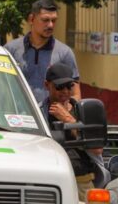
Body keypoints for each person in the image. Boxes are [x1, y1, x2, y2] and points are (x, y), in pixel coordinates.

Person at [39, 63, 106, 200]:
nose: (65, 91)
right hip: (47, 180)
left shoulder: (83, 112)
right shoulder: (37, 113)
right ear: (47, 85)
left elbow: (97, 149)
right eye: (59, 87)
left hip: (81, 179)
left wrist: (67, 119)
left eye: (69, 86)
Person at [6, 0, 81, 102]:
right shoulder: (11, 50)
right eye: (45, 20)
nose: (50, 25)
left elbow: (75, 95)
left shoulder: (64, 53)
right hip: (17, 116)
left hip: (50, 117)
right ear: (31, 19)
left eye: (54, 20)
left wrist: (66, 110)